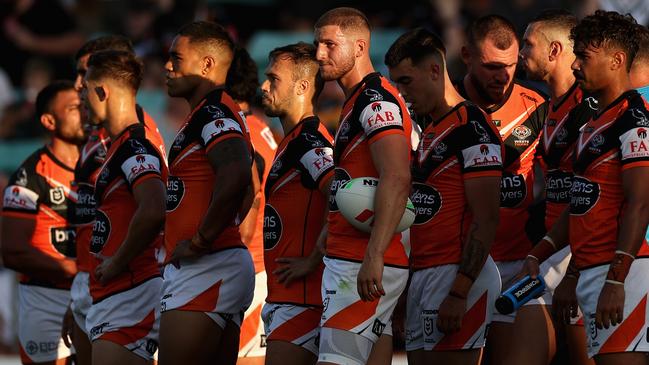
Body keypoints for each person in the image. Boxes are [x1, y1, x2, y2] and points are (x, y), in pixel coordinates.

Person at [522, 10, 649, 365]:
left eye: (584, 57)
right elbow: (582, 203)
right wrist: (540, 252)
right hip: (593, 271)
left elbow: (640, 203)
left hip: (622, 272)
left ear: (617, 60)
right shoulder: (595, 121)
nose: (575, 65)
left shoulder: (635, 120)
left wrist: (617, 281)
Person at [385, 28, 503, 365]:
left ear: (435, 71)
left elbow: (487, 218)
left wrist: (459, 290)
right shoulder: (429, 127)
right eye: (396, 83)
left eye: (406, 81)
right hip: (424, 273)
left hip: (455, 275)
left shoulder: (473, 127)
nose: (401, 92)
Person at [313, 7, 416, 365]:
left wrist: (374, 254)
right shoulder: (357, 100)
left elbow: (397, 175)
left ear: (359, 47)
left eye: (329, 44)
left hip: (361, 260)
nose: (319, 54)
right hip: (360, 256)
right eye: (317, 44)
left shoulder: (375, 99)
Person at [62, 35, 167, 365]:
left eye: (85, 85)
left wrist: (118, 261)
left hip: (130, 288)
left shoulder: (137, 143)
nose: (79, 93)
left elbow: (154, 207)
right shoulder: (114, 144)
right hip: (103, 284)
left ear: (102, 90)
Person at [160, 21, 255, 365]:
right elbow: (248, 191)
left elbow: (238, 173)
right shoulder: (207, 112)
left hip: (206, 266)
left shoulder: (213, 112)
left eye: (176, 58)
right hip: (216, 263)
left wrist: (202, 239)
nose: (166, 67)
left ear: (207, 65)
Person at [456, 14, 549, 364]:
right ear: (466, 55)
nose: (504, 76)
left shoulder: (538, 108)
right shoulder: (444, 106)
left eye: (510, 65)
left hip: (518, 264)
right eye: (492, 66)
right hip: (458, 265)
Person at [515, 9, 596, 365]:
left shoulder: (588, 107)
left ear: (554, 51)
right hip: (551, 251)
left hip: (582, 251)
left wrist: (576, 269)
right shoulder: (549, 108)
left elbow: (596, 195)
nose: (521, 53)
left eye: (528, 44)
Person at [260, 42, 333, 365]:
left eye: (273, 79)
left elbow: (342, 197)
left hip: (302, 301)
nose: (264, 86)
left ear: (303, 86)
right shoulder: (291, 141)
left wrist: (312, 259)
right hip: (286, 297)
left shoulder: (309, 142)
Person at [1, 80, 83, 365]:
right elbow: (12, 251)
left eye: (84, 105)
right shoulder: (29, 176)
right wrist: (73, 269)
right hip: (46, 299)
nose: (84, 113)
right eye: (74, 108)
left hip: (98, 295)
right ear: (49, 120)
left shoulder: (104, 163)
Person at [227, 46, 278, 364]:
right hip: (258, 269)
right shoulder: (260, 127)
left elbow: (251, 198)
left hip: (247, 268)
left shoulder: (235, 132)